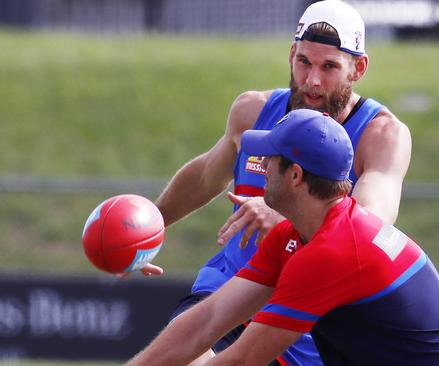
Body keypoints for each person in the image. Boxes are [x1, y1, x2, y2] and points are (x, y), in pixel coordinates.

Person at [138, 0, 412, 365]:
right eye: (304, 62)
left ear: (358, 68)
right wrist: (146, 229)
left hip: (309, 317)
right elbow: (206, 176)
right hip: (231, 287)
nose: (313, 81)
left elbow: (369, 224)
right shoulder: (253, 111)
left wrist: (286, 217)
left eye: (329, 66)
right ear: (291, 55)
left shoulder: (382, 135)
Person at [127, 109, 439, 366]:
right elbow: (210, 318)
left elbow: (241, 359)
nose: (261, 166)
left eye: (270, 158)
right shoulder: (295, 234)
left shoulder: (331, 251)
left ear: (296, 176)